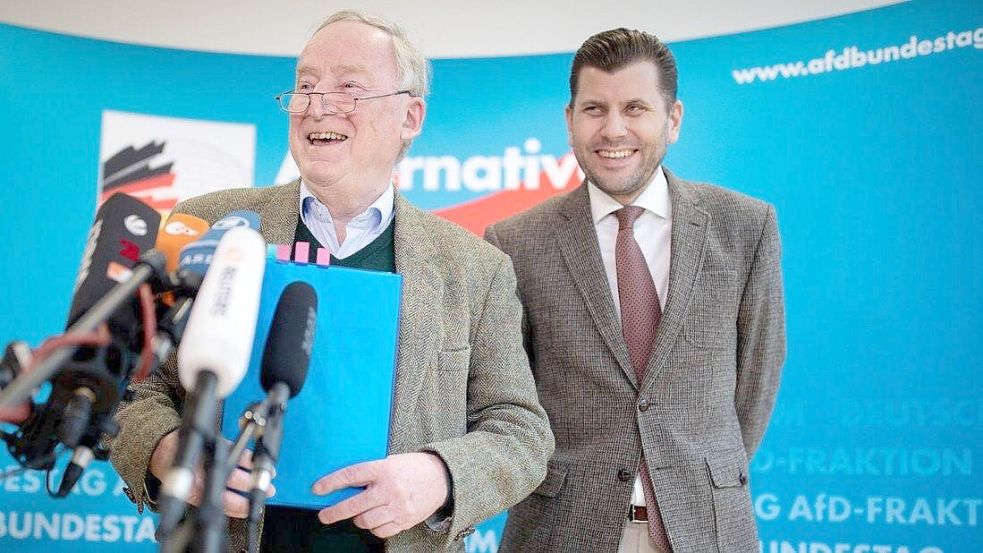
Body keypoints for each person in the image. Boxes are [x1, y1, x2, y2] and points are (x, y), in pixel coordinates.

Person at [110, 10, 553, 552]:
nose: (318, 106)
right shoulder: (212, 227)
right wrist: (171, 450)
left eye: (349, 88)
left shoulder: (475, 268)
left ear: (410, 117)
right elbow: (134, 389)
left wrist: (439, 476)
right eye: (305, 86)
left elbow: (521, 432)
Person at [486, 28, 785, 552]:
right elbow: (508, 400)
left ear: (673, 119)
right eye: (595, 109)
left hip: (707, 529)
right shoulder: (515, 242)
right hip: (561, 532)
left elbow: (756, 381)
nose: (613, 129)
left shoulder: (745, 227)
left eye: (636, 108)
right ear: (570, 119)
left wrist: (700, 474)